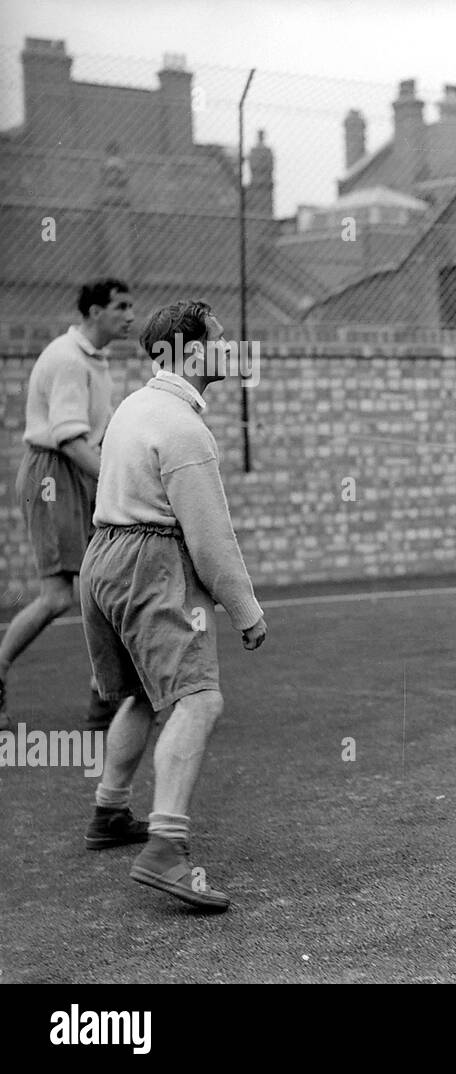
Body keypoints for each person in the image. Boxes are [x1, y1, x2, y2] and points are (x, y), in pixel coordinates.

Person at [80, 300, 267, 913]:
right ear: (188, 351)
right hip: (148, 564)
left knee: (139, 692)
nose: (228, 348)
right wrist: (245, 609)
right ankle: (165, 849)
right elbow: (210, 540)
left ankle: (110, 809)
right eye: (218, 339)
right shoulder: (185, 428)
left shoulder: (135, 405)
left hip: (102, 559)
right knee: (199, 699)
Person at [0, 279, 134, 733]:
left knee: (102, 584)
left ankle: (105, 697)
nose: (130, 316)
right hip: (51, 474)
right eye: (120, 307)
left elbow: (103, 429)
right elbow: (70, 440)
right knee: (59, 596)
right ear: (95, 312)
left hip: (76, 471)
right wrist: (117, 480)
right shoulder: (67, 358)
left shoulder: (97, 361)